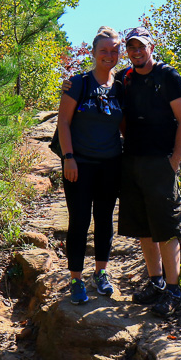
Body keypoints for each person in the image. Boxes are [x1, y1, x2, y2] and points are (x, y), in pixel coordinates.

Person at [116, 27, 181, 317]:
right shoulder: (125, 78)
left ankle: (173, 289)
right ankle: (156, 282)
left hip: (161, 162)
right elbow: (119, 114)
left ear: (151, 47)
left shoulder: (168, 76)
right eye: (131, 47)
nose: (136, 52)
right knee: (144, 227)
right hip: (133, 160)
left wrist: (174, 161)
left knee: (166, 228)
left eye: (141, 47)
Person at [56, 26, 123, 305]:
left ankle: (101, 274)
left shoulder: (121, 87)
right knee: (80, 221)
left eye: (114, 50)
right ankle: (75, 279)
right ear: (93, 53)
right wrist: (68, 158)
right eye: (104, 50)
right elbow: (63, 122)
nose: (109, 55)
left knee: (105, 220)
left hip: (110, 165)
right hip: (79, 165)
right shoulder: (78, 83)